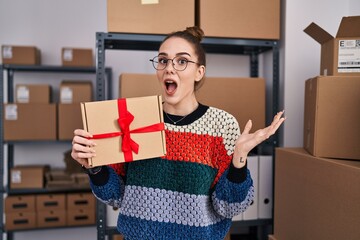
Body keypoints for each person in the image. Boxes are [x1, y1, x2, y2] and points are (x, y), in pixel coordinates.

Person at [71, 26, 285, 240]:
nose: (169, 68)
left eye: (181, 61)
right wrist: (95, 168)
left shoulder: (222, 125)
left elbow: (229, 207)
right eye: (163, 60)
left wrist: (239, 159)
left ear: (199, 72)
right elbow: (115, 196)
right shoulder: (134, 119)